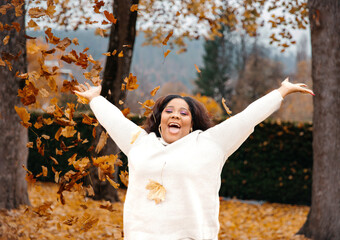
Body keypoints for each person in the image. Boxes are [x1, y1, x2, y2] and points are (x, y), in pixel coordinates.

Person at [74, 78, 314, 240]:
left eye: (183, 112)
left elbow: (247, 118)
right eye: (168, 111)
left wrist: (281, 91)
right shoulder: (140, 142)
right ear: (159, 120)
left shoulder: (210, 144)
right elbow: (115, 120)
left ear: (191, 122)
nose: (175, 115)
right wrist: (95, 98)